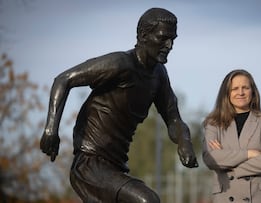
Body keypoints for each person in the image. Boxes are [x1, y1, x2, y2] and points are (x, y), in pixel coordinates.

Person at [40, 7, 198, 203]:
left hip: (116, 166)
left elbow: (174, 119)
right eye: (163, 38)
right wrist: (51, 129)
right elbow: (63, 80)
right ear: (144, 35)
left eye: (173, 39)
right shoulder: (120, 64)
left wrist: (185, 143)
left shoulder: (159, 75)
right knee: (147, 200)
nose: (170, 45)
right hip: (90, 164)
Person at [202, 69, 261, 203]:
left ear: (253, 91)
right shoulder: (213, 124)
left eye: (245, 88)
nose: (240, 92)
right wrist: (249, 154)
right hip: (225, 197)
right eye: (235, 89)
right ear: (227, 93)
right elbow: (211, 159)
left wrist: (226, 161)